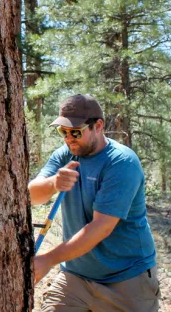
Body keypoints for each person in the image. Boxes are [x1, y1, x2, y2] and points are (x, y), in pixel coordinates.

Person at [29, 94, 160, 311]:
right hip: (76, 277)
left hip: (127, 279)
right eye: (63, 131)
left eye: (76, 132)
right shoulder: (65, 154)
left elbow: (101, 227)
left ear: (98, 126)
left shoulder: (121, 162)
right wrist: (54, 183)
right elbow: (32, 196)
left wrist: (48, 259)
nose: (68, 138)